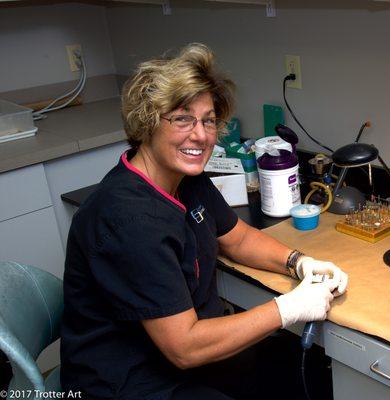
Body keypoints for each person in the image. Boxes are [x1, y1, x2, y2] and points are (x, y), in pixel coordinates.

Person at [60, 43, 348, 400]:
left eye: (208, 120)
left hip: (182, 360)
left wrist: (299, 262)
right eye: (182, 118)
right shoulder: (128, 219)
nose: (201, 135)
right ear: (148, 121)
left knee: (307, 376)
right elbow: (186, 348)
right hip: (131, 382)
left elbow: (238, 238)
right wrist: (288, 308)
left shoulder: (186, 179)